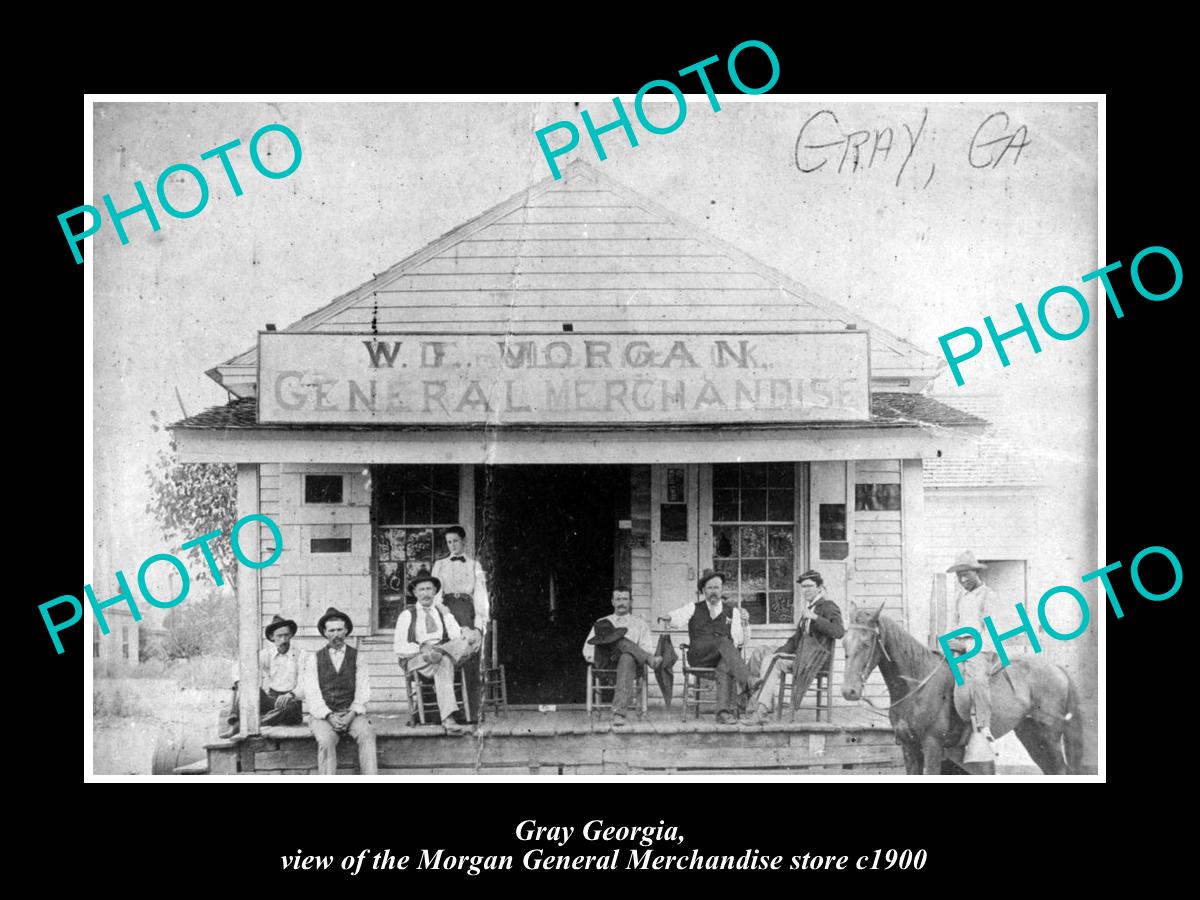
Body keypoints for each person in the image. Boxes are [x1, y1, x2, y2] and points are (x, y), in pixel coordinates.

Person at [750, 570, 844, 723]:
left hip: (814, 660)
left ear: (820, 587)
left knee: (772, 660)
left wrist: (815, 618)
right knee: (761, 651)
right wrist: (779, 650)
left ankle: (761, 710)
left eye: (810, 586)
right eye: (803, 587)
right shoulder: (808, 609)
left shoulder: (827, 606)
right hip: (801, 655)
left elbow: (839, 631)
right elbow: (796, 640)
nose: (805, 590)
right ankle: (756, 701)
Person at [664, 569, 752, 725]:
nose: (713, 592)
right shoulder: (693, 607)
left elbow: (741, 641)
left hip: (720, 658)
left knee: (725, 666)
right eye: (710, 588)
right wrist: (669, 617)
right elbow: (676, 618)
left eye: (717, 588)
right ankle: (748, 682)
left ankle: (723, 714)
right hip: (699, 656)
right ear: (703, 590)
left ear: (722, 590)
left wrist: (746, 624)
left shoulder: (733, 612)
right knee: (724, 641)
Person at [394, 569, 473, 734]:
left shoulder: (441, 612)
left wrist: (448, 614)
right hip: (417, 658)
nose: (426, 593)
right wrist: (422, 648)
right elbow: (399, 647)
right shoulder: (407, 615)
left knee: (462, 644)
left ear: (435, 592)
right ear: (415, 593)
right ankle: (448, 719)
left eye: (429, 589)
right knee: (444, 659)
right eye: (421, 590)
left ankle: (440, 652)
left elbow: (456, 636)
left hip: (441, 653)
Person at [302, 607, 377, 776]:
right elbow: (312, 694)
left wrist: (351, 715)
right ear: (325, 633)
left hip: (351, 712)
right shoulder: (314, 659)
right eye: (331, 630)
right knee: (327, 741)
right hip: (323, 715)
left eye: (339, 630)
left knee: (367, 735)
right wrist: (329, 716)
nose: (336, 634)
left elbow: (363, 691)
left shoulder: (358, 657)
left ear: (346, 631)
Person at [431, 525, 489, 722]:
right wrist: (444, 612)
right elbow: (434, 595)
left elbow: (481, 598)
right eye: (449, 542)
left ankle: (472, 714)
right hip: (445, 613)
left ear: (464, 541)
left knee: (469, 656)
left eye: (456, 541)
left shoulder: (474, 565)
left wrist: (478, 627)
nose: (452, 545)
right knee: (445, 657)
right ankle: (447, 713)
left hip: (467, 612)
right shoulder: (439, 565)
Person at [582, 586, 663, 728]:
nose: (621, 602)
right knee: (622, 644)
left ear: (631, 602)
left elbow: (646, 647)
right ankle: (650, 659)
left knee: (626, 657)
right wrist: (601, 657)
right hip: (606, 664)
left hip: (631, 666)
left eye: (625, 599)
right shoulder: (602, 623)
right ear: (612, 602)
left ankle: (619, 713)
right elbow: (587, 649)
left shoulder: (640, 624)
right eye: (618, 599)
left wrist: (628, 653)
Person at [218, 614, 306, 737]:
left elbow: (305, 684)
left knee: (289, 707)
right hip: (273, 699)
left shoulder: (301, 655)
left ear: (291, 635)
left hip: (292, 701)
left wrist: (291, 694)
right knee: (247, 687)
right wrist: (240, 681)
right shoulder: (267, 654)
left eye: (286, 635)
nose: (284, 640)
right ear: (272, 637)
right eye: (279, 636)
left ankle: (244, 725)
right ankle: (235, 721)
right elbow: (241, 665)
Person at [946, 551, 998, 746]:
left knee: (977, 681)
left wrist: (967, 646)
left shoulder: (988, 596)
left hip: (980, 648)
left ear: (977, 573)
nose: (962, 579)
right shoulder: (960, 597)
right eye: (959, 576)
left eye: (966, 574)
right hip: (958, 645)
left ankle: (984, 726)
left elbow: (992, 632)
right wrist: (949, 641)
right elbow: (953, 624)